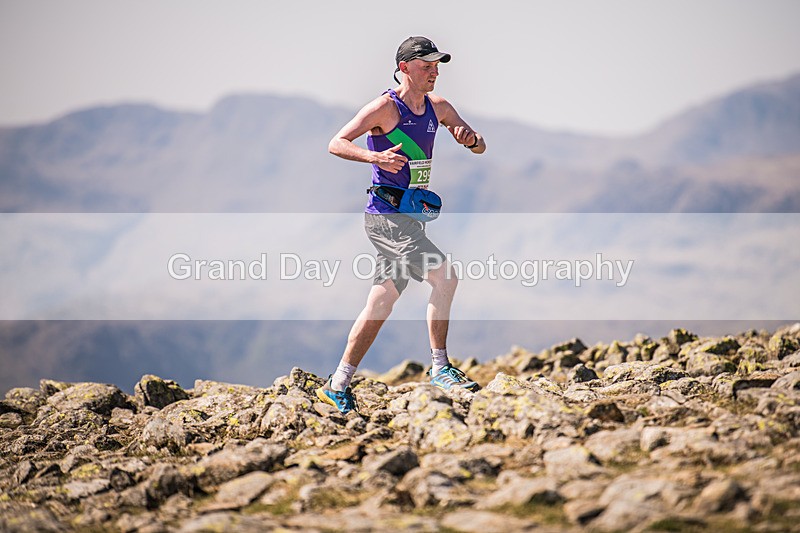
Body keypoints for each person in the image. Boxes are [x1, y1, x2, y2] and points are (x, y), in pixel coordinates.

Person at [317, 36, 486, 414]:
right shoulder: (383, 109)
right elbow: (336, 142)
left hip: (411, 218)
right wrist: (373, 158)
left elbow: (480, 146)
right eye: (427, 66)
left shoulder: (438, 107)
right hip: (386, 217)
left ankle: (338, 382)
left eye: (437, 66)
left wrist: (469, 139)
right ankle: (441, 368)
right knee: (445, 276)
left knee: (381, 300)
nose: (435, 72)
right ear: (405, 68)